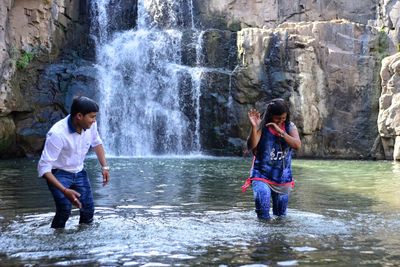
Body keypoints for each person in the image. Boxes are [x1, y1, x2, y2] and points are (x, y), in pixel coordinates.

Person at [37, 96, 110, 228]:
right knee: (64, 209)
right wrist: (65, 190)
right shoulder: (57, 133)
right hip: (58, 174)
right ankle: (57, 239)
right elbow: (43, 168)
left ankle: (84, 240)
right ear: (79, 116)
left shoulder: (90, 124)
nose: (94, 121)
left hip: (79, 172)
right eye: (92, 117)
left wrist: (104, 167)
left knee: (88, 209)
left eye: (95, 117)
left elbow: (97, 142)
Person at [241, 98, 301, 220]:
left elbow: (297, 145)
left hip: (282, 178)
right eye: (277, 118)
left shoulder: (290, 126)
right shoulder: (261, 126)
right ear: (270, 115)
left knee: (281, 217)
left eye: (283, 118)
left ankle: (276, 239)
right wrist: (254, 127)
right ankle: (263, 238)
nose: (280, 121)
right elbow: (251, 146)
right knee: (263, 215)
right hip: (261, 175)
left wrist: (281, 132)